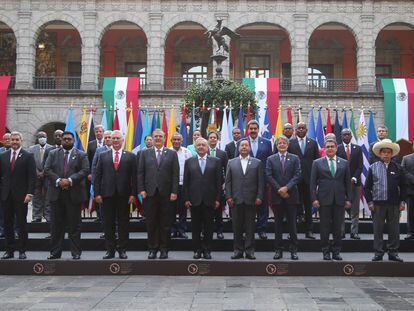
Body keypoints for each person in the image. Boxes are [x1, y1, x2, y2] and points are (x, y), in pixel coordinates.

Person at [44, 131, 89, 260]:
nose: (66, 141)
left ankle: (75, 253)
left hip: (73, 195)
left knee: (74, 225)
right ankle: (55, 253)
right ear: (61, 140)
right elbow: (47, 169)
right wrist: (59, 181)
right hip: (56, 194)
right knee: (56, 226)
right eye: (64, 139)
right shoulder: (52, 153)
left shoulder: (81, 154)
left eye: (69, 139)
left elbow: (85, 170)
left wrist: (69, 180)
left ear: (74, 141)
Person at [94, 130, 137, 260]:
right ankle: (110, 250)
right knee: (108, 224)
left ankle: (122, 249)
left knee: (124, 223)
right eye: (114, 139)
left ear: (122, 140)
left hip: (124, 195)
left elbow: (134, 177)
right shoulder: (103, 155)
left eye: (118, 138)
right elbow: (97, 176)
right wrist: (97, 193)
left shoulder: (130, 156)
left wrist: (133, 194)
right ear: (110, 140)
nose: (116, 141)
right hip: (107, 195)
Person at [138, 129, 179, 260]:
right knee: (151, 222)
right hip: (149, 193)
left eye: (160, 136)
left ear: (165, 138)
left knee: (165, 223)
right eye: (155, 136)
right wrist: (141, 189)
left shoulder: (172, 154)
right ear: (152, 138)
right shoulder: (144, 153)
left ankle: (164, 249)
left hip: (166, 194)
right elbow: (140, 173)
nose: (158, 138)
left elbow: (175, 174)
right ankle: (152, 249)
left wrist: (174, 191)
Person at [310, 139, 352, 261]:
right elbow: (312, 183)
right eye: (327, 146)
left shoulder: (344, 163)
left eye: (332, 146)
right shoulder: (317, 163)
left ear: (336, 148)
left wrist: (349, 199)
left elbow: (347, 183)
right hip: (323, 200)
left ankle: (336, 251)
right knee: (324, 227)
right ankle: (325, 251)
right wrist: (314, 199)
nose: (330, 148)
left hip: (339, 200)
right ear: (324, 148)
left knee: (337, 228)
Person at [365, 139, 406, 262]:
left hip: (394, 204)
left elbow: (403, 186)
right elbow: (367, 187)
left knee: (394, 229)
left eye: (389, 152)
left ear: (392, 154)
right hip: (378, 204)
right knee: (378, 229)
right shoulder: (373, 168)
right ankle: (378, 253)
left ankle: (393, 252)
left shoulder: (398, 168)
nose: (386, 154)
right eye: (384, 152)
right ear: (380, 154)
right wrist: (370, 202)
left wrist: (402, 201)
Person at [183, 137, 221, 259]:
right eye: (198, 145)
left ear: (207, 147)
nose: (201, 147)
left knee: (209, 227)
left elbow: (218, 182)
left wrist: (217, 199)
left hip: (210, 200)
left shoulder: (216, 161)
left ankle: (207, 250)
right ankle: (197, 250)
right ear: (195, 147)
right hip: (194, 200)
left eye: (203, 145)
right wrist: (186, 199)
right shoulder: (189, 162)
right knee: (195, 227)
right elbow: (186, 182)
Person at [0, 132, 36, 260]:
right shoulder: (3, 156)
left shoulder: (28, 156)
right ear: (9, 141)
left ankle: (22, 250)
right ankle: (9, 251)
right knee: (7, 224)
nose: (14, 142)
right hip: (5, 196)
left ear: (21, 140)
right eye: (12, 139)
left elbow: (32, 177)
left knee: (21, 224)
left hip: (22, 196)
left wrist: (30, 193)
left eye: (17, 139)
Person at [226, 139, 263, 260]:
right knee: (237, 227)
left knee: (250, 227)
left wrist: (259, 196)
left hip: (251, 200)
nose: (244, 147)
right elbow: (228, 182)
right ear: (238, 148)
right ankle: (237, 250)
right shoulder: (231, 162)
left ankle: (249, 251)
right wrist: (229, 197)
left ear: (250, 148)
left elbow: (260, 182)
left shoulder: (257, 162)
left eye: (246, 145)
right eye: (242, 145)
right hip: (236, 200)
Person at [266, 135, 301, 260]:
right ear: (276, 146)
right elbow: (269, 176)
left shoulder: (295, 158)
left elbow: (297, 175)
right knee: (278, 225)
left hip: (291, 196)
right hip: (277, 196)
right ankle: (278, 250)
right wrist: (279, 189)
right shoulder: (270, 159)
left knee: (292, 225)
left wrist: (287, 188)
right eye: (279, 143)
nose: (281, 145)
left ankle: (293, 250)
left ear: (287, 145)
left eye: (284, 143)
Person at [236, 120, 272, 240]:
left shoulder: (266, 143)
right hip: (246, 181)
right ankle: (247, 230)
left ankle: (262, 229)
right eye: (251, 128)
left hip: (262, 180)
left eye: (255, 128)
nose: (253, 130)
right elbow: (237, 161)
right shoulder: (242, 142)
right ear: (248, 129)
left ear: (258, 129)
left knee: (263, 205)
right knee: (247, 207)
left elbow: (269, 162)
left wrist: (268, 178)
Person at [288, 122, 319, 239]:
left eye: (303, 128)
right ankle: (293, 232)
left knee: (308, 206)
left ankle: (309, 230)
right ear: (295, 130)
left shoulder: (313, 143)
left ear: (306, 130)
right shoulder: (291, 143)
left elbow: (317, 162)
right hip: (294, 180)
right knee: (294, 207)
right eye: (298, 128)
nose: (301, 130)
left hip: (309, 180)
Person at [337, 128, 363, 239]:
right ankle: (341, 231)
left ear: (351, 136)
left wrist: (354, 178)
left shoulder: (357, 149)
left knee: (355, 209)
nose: (346, 136)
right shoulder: (337, 148)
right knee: (341, 208)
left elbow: (360, 166)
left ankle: (354, 232)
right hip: (341, 184)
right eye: (344, 135)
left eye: (348, 134)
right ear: (341, 136)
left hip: (355, 183)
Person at [170, 133, 192, 239]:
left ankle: (182, 230)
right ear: (171, 140)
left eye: (178, 139)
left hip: (184, 185)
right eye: (174, 139)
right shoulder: (168, 152)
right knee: (171, 209)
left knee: (183, 209)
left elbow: (191, 168)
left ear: (182, 141)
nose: (176, 141)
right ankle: (173, 230)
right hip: (171, 186)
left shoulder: (187, 152)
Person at [91, 130, 112, 237]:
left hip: (116, 186)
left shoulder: (120, 150)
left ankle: (116, 231)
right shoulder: (99, 150)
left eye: (110, 137)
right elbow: (94, 167)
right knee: (104, 211)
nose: (108, 139)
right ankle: (106, 231)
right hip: (103, 185)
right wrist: (95, 184)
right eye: (106, 137)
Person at [29, 131, 53, 223]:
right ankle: (37, 216)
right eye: (40, 137)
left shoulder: (52, 149)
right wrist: (37, 173)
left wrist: (44, 172)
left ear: (46, 137)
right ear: (37, 138)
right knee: (36, 196)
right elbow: (30, 163)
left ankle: (48, 216)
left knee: (48, 197)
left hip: (47, 176)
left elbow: (52, 163)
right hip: (36, 176)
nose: (41, 138)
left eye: (43, 136)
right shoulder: (31, 149)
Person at [207, 131, 228, 240]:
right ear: (208, 139)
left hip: (218, 186)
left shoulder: (222, 153)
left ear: (217, 139)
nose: (213, 139)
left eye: (214, 137)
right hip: (205, 186)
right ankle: (206, 231)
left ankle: (219, 231)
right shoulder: (203, 152)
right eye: (211, 137)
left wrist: (225, 183)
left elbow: (227, 169)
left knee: (218, 210)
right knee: (206, 211)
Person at [0, 133, 12, 238]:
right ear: (2, 141)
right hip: (2, 187)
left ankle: (15, 231)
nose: (8, 141)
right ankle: (2, 230)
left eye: (9, 139)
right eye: (6, 139)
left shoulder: (16, 153)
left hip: (14, 187)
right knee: (2, 211)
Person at [402, 147, 414, 240]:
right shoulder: (406, 158)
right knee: (411, 213)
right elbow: (403, 171)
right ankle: (410, 232)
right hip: (411, 190)